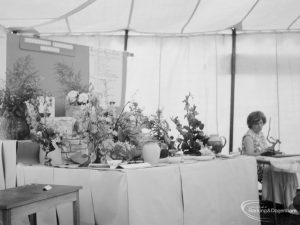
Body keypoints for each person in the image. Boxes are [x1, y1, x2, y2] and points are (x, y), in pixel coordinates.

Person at [242, 111, 299, 214]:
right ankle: (285, 203)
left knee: (289, 171)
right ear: (251, 124)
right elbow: (250, 154)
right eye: (256, 123)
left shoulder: (260, 134)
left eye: (261, 123)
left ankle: (285, 201)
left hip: (265, 161)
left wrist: (271, 151)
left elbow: (263, 150)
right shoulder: (248, 136)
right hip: (256, 166)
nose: (260, 126)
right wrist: (264, 152)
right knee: (281, 171)